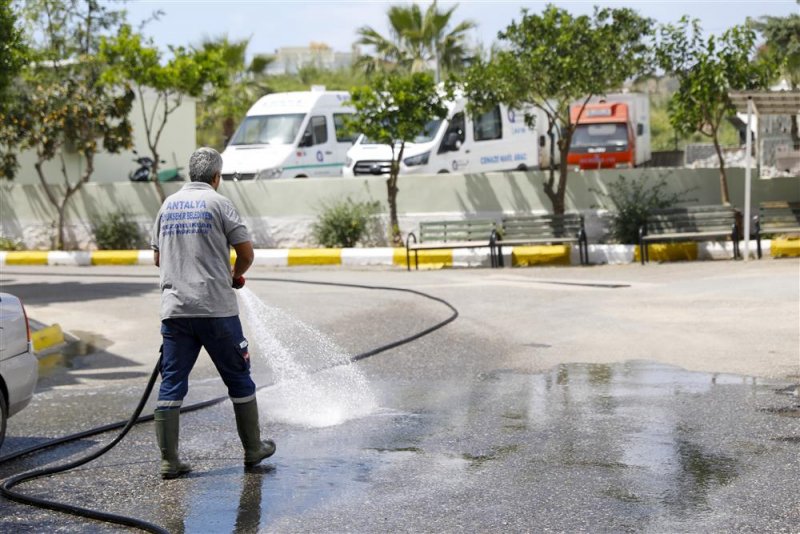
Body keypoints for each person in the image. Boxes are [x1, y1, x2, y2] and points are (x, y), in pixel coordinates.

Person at [150, 147, 275, 479]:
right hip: (216, 310)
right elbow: (246, 253)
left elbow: (159, 260)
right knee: (238, 378)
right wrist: (234, 276)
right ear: (217, 177)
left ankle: (169, 461)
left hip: (175, 312)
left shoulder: (167, 205)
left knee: (172, 384)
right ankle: (252, 449)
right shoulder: (220, 203)